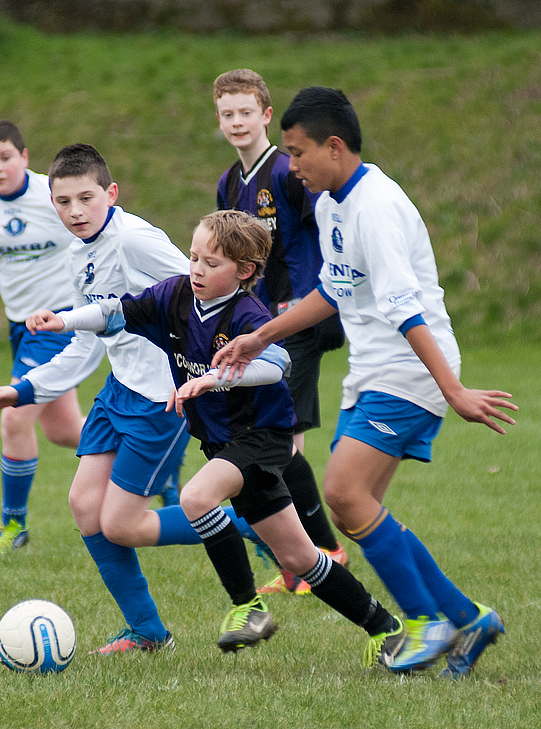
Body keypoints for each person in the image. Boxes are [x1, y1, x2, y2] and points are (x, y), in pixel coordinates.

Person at [213, 87, 518, 678]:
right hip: (372, 370)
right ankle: (467, 616)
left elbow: (406, 308)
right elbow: (334, 292)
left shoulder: (376, 207)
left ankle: (428, 622)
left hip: (410, 367)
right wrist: (262, 335)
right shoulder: (331, 202)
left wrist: (452, 390)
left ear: (334, 145)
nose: (291, 166)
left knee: (344, 494)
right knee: (360, 509)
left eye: (298, 154)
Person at [22, 209, 405, 666]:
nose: (197, 269)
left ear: (244, 272)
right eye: (194, 257)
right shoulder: (175, 295)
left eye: (212, 263)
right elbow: (117, 313)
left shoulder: (248, 313)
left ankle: (247, 609)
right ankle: (387, 628)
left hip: (261, 436)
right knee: (301, 556)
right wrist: (63, 321)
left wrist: (215, 379)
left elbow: (277, 363)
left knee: (197, 495)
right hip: (223, 442)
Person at [0, 143, 197, 655]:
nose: (75, 211)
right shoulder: (79, 252)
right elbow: (83, 346)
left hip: (161, 396)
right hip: (119, 389)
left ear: (111, 194)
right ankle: (148, 632)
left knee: (120, 524)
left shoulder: (136, 240)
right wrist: (21, 390)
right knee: (83, 505)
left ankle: (253, 523)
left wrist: (201, 369)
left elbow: (197, 292)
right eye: (63, 201)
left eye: (86, 198)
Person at [214, 69, 348, 595]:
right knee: (267, 439)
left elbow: (334, 222)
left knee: (278, 443)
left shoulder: (291, 173)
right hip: (262, 328)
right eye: (227, 113)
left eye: (246, 111)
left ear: (266, 115)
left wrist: (338, 295)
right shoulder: (229, 183)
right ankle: (298, 562)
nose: (237, 122)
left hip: (302, 318)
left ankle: (324, 554)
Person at [0, 120, 85, 554]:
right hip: (19, 327)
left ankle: (14, 527)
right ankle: (152, 457)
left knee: (13, 415)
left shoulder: (54, 196)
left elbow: (92, 238)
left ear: (25, 158)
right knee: (66, 432)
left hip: (58, 321)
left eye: (5, 157)